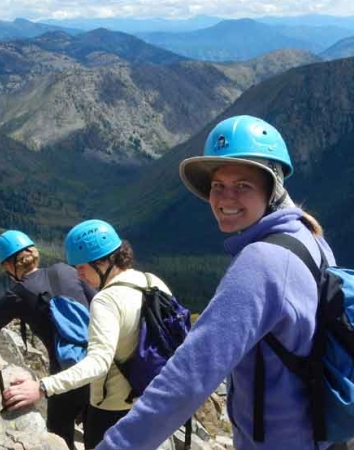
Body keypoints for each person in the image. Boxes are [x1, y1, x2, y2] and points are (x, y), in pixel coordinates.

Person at [95, 115, 335, 450]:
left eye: (244, 186)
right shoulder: (311, 239)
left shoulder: (262, 262)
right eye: (217, 186)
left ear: (274, 186)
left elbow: (190, 375)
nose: (225, 199)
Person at [0, 220, 175, 450]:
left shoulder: (106, 300)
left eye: (81, 267)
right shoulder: (153, 282)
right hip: (155, 402)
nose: (79, 275)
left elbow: (98, 363)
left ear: (102, 261)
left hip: (111, 411)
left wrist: (41, 387)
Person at [0, 230, 95, 450]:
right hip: (99, 363)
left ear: (8, 266)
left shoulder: (17, 295)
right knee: (97, 433)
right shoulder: (65, 270)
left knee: (59, 430)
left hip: (66, 373)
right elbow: (99, 302)